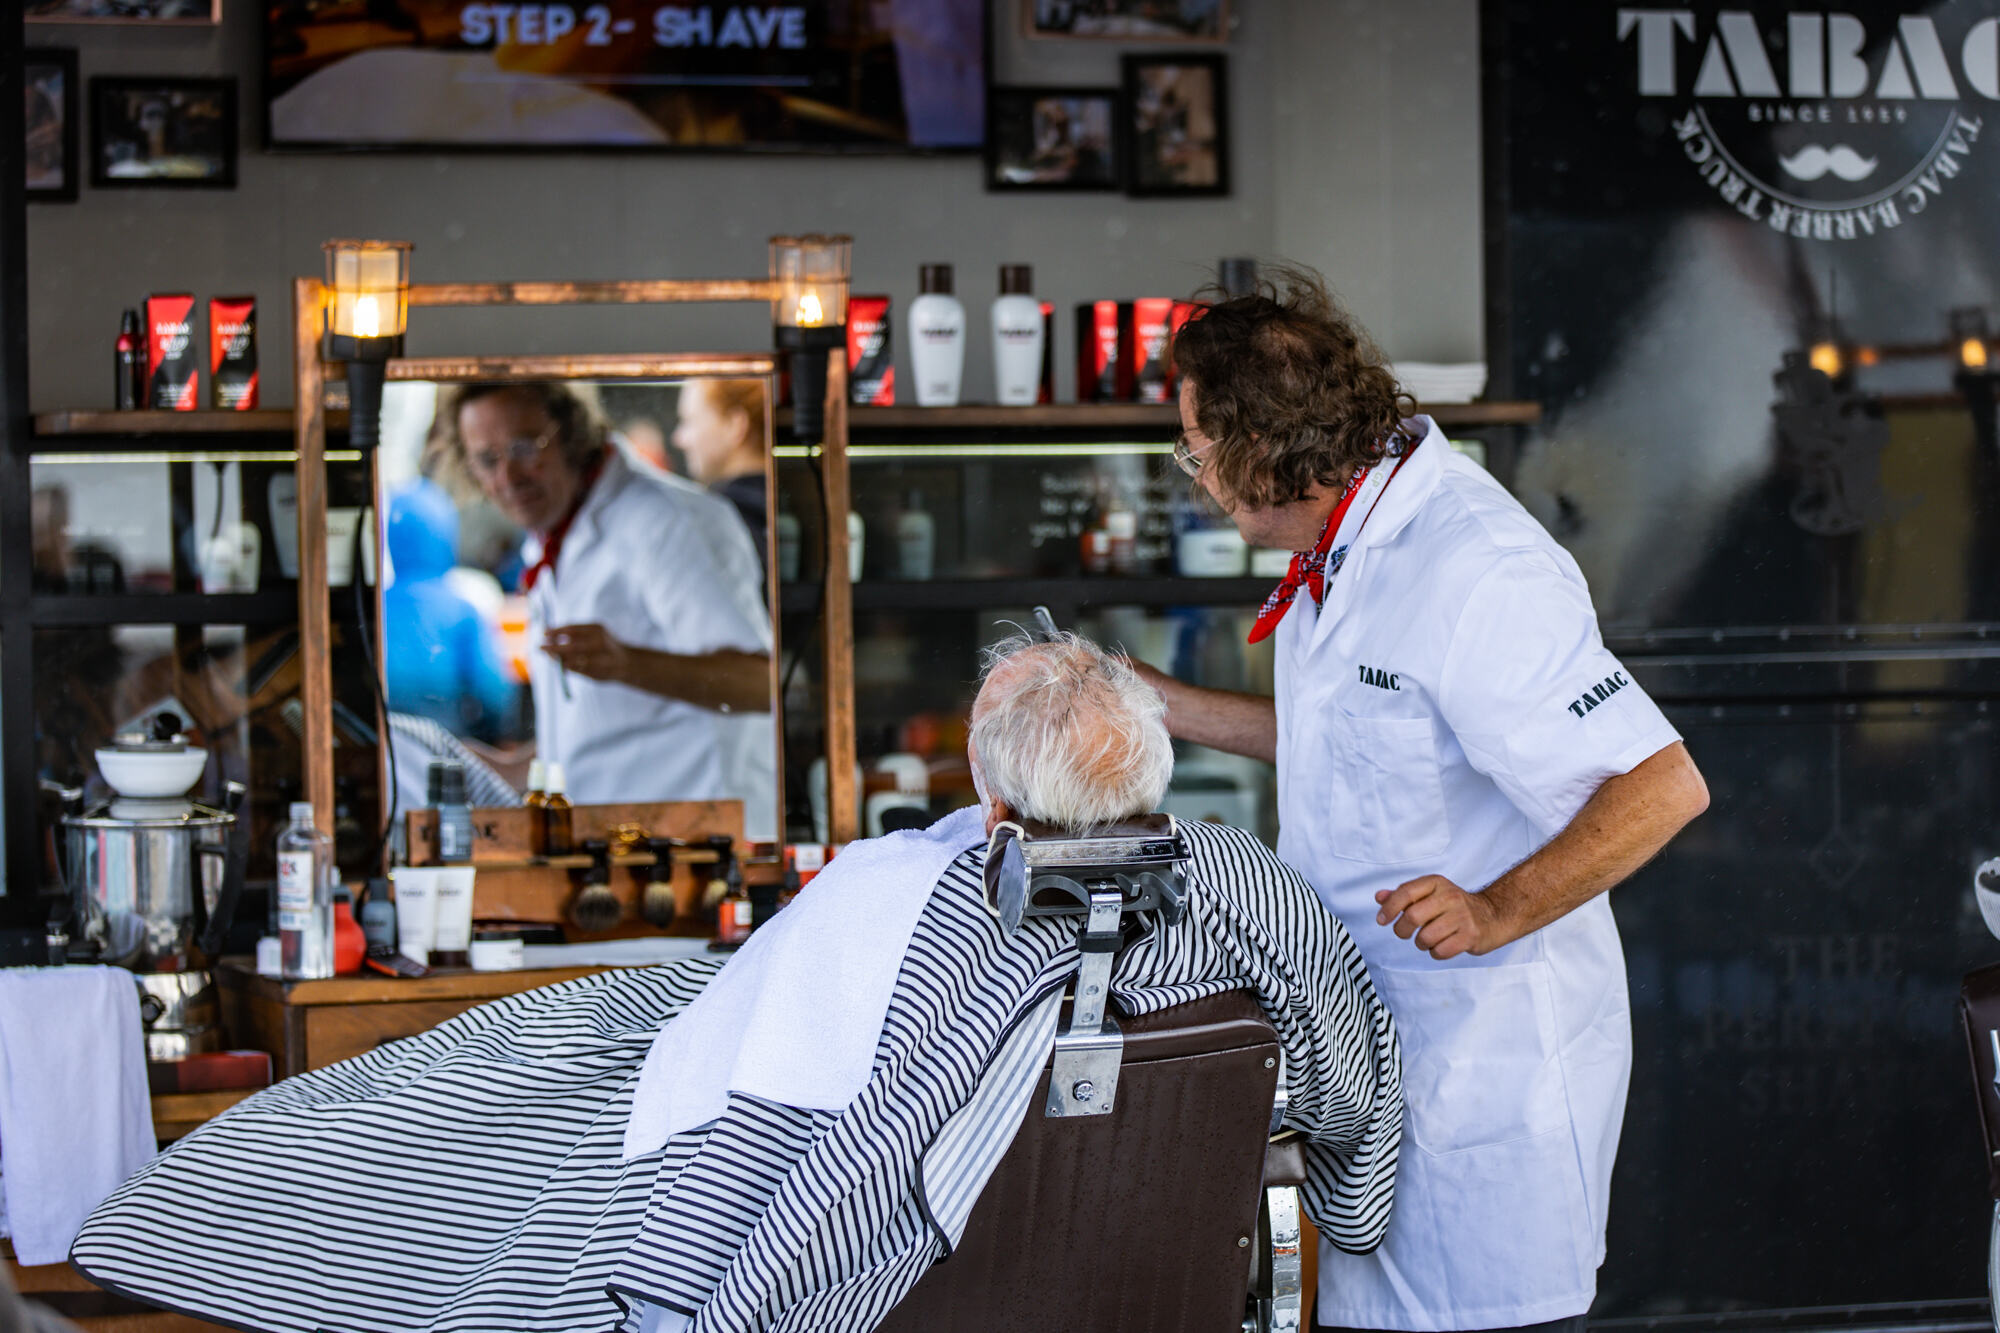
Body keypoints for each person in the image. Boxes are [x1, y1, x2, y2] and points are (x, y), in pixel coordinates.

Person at [71, 631, 1402, 1333]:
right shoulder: (1247, 892)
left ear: (987, 789)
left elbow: (825, 1168)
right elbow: (1356, 1094)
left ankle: (228, 1211)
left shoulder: (905, 903)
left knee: (491, 1093)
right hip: (1139, 1290)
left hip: (918, 1284)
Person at [1137, 269, 1710, 1333]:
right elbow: (1351, 744)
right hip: (1368, 1069)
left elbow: (1659, 783)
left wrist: (1493, 907)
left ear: (1265, 446)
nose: (1194, 474)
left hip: (1477, 1077)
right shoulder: (1342, 546)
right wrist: (1157, 704)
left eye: (1198, 450)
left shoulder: (1474, 570)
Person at [433, 381, 775, 836]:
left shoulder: (664, 521)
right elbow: (612, 729)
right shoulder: (556, 533)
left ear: (572, 435)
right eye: (487, 459)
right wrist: (508, 767)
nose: (507, 476)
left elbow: (759, 683)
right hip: (618, 845)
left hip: (701, 849)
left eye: (524, 448)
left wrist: (628, 663)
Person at [381, 478, 519, 741]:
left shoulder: (376, 607)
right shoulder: (463, 610)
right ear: (446, 534)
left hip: (386, 745)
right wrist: (492, 734)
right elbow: (493, 693)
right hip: (447, 743)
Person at [670, 377, 770, 557]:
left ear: (734, 425)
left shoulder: (720, 518)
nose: (679, 439)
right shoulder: (776, 503)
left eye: (688, 421)